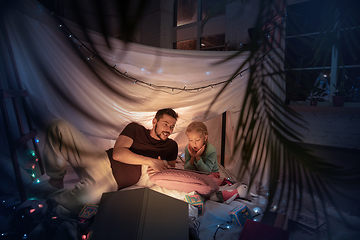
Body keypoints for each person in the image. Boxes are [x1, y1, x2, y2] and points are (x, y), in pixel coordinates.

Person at [43, 108, 179, 213]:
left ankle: (50, 198)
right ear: (154, 121)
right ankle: (56, 180)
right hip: (100, 159)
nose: (168, 130)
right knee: (58, 126)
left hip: (112, 181)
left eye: (172, 126)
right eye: (165, 124)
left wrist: (160, 168)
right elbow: (118, 153)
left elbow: (170, 171)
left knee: (84, 199)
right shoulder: (136, 129)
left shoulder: (171, 146)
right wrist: (151, 161)